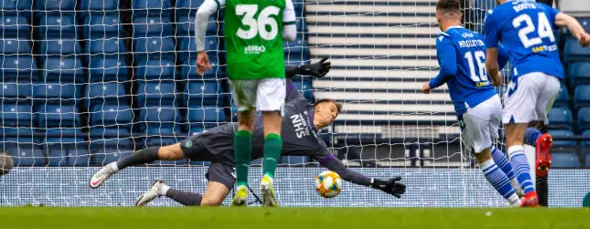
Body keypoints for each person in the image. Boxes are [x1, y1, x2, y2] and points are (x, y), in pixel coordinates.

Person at [89, 60, 406, 206]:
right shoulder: (295, 100)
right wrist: (305, 69)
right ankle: (112, 167)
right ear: (319, 105)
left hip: (234, 161)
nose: (331, 117)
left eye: (335, 116)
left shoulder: (314, 144)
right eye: (331, 110)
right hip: (227, 137)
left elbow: (343, 171)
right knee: (169, 152)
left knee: (209, 205)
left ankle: (162, 190)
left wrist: (378, 184)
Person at [195, 0, 296, 206]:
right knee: (273, 126)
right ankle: (268, 178)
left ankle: (240, 183)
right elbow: (291, 34)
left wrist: (201, 49)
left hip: (241, 66)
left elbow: (202, 11)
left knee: (245, 125)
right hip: (271, 66)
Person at [483, 0, 590, 207]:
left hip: (527, 74)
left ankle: (530, 194)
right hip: (553, 77)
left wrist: (495, 76)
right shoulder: (540, 7)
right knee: (526, 128)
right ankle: (540, 140)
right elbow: (567, 19)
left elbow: (491, 62)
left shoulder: (494, 15)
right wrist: (581, 33)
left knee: (511, 138)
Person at [421, 0, 522, 207]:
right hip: (492, 99)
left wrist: (430, 84)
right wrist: (492, 75)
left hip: (472, 105)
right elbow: (502, 55)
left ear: (437, 16)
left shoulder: (445, 38)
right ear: (460, 15)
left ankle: (517, 204)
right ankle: (520, 188)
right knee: (490, 147)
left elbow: (449, 69)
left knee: (483, 156)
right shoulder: (477, 36)